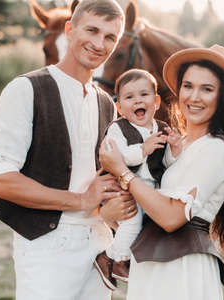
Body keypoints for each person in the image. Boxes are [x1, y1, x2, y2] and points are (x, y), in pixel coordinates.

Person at [0, 1, 137, 299]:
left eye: (110, 37)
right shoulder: (25, 89)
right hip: (44, 246)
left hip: (99, 245)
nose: (99, 43)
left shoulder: (106, 103)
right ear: (69, 30)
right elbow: (0, 181)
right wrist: (82, 199)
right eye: (92, 30)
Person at [99, 44, 224, 299]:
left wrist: (123, 172)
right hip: (152, 260)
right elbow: (145, 206)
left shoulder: (215, 149)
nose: (194, 97)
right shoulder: (176, 146)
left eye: (207, 89)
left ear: (222, 97)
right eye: (188, 86)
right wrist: (109, 211)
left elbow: (171, 218)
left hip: (182, 268)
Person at [93, 69, 182, 290]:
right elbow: (115, 158)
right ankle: (113, 258)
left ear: (157, 101)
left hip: (150, 190)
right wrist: (142, 149)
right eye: (129, 97)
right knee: (132, 220)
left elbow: (166, 165)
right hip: (121, 188)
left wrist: (175, 151)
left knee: (155, 222)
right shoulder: (117, 129)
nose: (137, 101)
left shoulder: (161, 128)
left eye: (144, 95)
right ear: (119, 106)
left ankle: (132, 260)